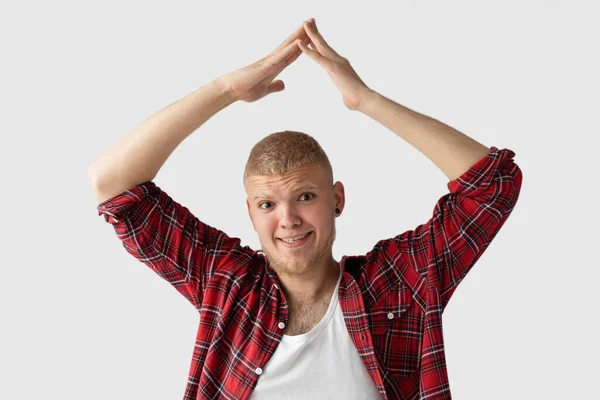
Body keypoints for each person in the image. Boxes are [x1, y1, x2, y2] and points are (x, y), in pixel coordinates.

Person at [89, 18, 523, 400]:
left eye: (306, 196)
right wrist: (225, 90)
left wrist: (365, 100)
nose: (289, 219)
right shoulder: (227, 284)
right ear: (251, 213)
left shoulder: (399, 284)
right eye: (267, 204)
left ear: (337, 199)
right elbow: (111, 183)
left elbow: (492, 186)